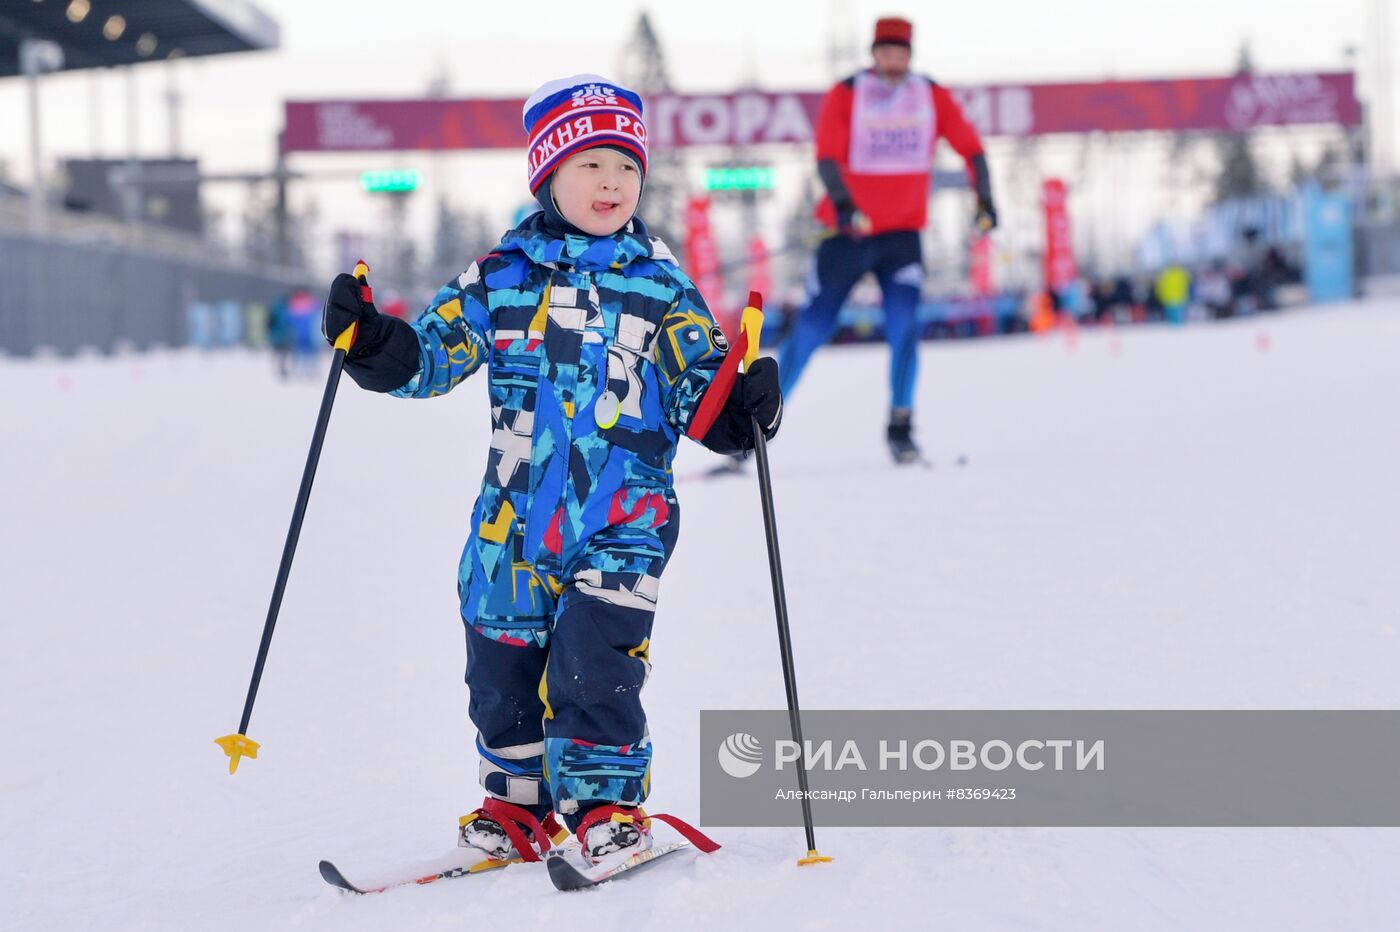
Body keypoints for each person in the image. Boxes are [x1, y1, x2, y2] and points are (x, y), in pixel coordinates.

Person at [319, 75, 779, 875]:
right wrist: (374, 343)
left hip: (621, 519)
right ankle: (518, 803)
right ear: (547, 176)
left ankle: (606, 808)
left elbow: (696, 386)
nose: (611, 183)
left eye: (626, 167)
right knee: (498, 661)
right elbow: (431, 356)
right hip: (511, 524)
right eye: (590, 165)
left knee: (594, 664)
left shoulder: (659, 286)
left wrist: (738, 406)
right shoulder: (499, 278)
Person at [779, 15, 996, 463]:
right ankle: (755, 426)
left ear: (910, 56)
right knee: (813, 329)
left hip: (901, 237)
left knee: (905, 328)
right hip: (848, 235)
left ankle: (901, 426)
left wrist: (986, 201)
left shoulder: (929, 94)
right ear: (873, 53)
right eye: (886, 53)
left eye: (901, 55)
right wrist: (843, 203)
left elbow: (971, 147)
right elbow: (826, 157)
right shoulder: (848, 93)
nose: (894, 63)